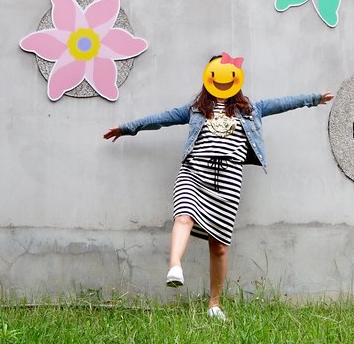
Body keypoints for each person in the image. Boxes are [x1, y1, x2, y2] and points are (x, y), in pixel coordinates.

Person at [103, 53, 334, 321]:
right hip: (195, 171)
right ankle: (175, 266)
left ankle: (215, 304)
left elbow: (282, 103)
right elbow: (160, 118)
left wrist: (314, 99)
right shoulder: (195, 109)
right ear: (208, 77)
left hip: (228, 180)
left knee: (219, 245)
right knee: (184, 215)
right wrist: (126, 128)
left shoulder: (250, 109)